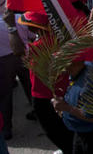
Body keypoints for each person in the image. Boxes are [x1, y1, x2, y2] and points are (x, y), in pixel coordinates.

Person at [21, 11, 73, 153]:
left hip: (43, 96)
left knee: (53, 129)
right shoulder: (58, 40)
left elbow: (17, 51)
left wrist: (11, 28)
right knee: (62, 126)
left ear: (35, 26)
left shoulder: (37, 47)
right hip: (61, 91)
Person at [51, 48, 93, 153]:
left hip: (92, 138)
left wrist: (66, 107)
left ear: (73, 63)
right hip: (79, 132)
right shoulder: (85, 67)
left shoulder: (87, 86)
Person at [0, 0, 31, 141]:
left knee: (5, 95)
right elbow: (31, 36)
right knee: (29, 86)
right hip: (23, 56)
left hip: (2, 62)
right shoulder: (19, 19)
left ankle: (6, 128)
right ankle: (37, 112)